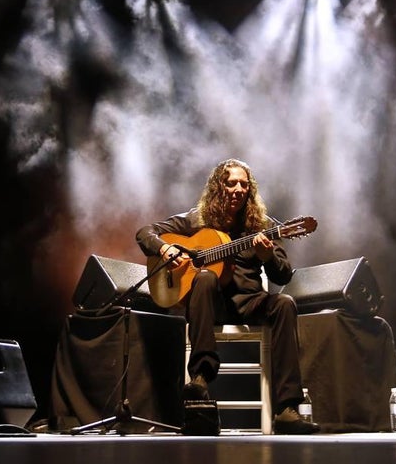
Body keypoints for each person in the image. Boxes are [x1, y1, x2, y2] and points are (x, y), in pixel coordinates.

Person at [136, 158, 320, 435]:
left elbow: (283, 275)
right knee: (206, 277)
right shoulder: (197, 220)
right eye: (231, 182)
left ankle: (286, 409)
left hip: (250, 302)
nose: (238, 189)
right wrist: (165, 250)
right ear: (218, 187)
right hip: (211, 306)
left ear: (250, 190)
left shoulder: (262, 225)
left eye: (243, 184)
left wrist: (268, 257)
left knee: (284, 303)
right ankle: (200, 377)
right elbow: (145, 233)